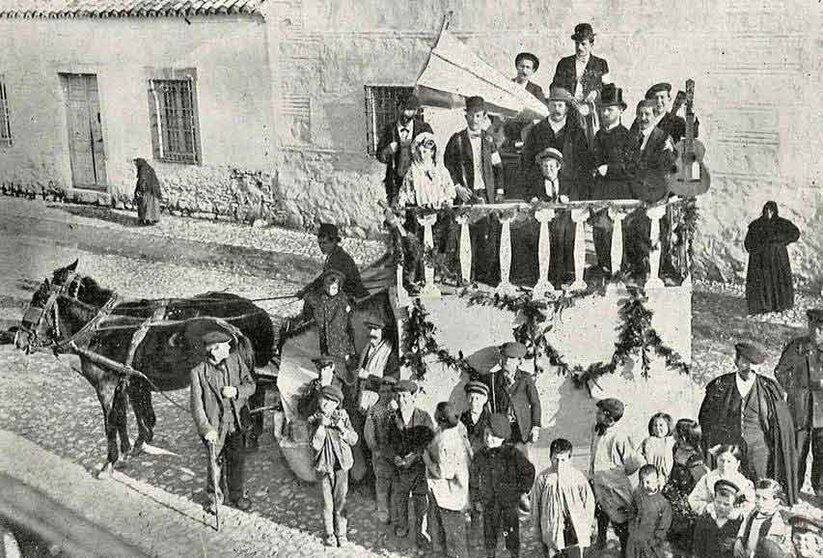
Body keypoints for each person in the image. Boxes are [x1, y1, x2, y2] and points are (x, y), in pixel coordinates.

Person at [698, 341, 798, 505]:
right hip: (730, 450)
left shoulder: (769, 389)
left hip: (759, 450)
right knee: (728, 488)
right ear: (736, 361)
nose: (749, 367)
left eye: (754, 364)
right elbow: (706, 418)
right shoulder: (721, 386)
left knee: (759, 489)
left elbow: (782, 425)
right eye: (744, 362)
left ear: (759, 366)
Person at [189, 328, 255, 512]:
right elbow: (196, 406)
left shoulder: (235, 361)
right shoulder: (198, 372)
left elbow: (251, 385)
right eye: (226, 346)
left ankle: (237, 495)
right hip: (214, 426)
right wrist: (206, 428)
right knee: (214, 463)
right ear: (214, 349)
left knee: (236, 460)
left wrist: (237, 391)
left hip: (235, 422)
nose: (229, 348)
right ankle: (215, 497)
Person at [443, 95, 505, 285]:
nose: (474, 120)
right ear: (466, 116)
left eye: (478, 116)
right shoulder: (457, 140)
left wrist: (500, 191)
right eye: (471, 115)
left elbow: (498, 167)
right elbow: (448, 166)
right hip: (467, 194)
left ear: (484, 116)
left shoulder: (489, 140)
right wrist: (457, 187)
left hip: (486, 194)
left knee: (487, 236)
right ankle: (465, 276)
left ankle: (485, 277)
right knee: (466, 235)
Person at [471, 413, 536, 558]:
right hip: (489, 501)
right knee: (489, 530)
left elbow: (528, 471)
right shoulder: (480, 456)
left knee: (511, 529)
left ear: (503, 437)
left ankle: (514, 553)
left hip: (508, 502)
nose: (488, 439)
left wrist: (521, 491)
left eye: (493, 436)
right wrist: (476, 499)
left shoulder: (512, 454)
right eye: (486, 434)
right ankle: (491, 553)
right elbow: (474, 479)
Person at [775, 308, 823, 500]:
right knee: (797, 450)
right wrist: (794, 390)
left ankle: (820, 491)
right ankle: (792, 489)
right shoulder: (797, 346)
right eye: (814, 329)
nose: (816, 334)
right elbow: (780, 371)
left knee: (822, 451)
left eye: (821, 330)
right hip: (800, 408)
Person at [589, 397, 646, 556]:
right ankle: (601, 542)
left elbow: (632, 463)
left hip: (615, 487)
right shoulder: (596, 430)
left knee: (620, 520)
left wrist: (617, 474)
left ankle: (625, 551)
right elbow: (593, 455)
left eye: (599, 412)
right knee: (601, 513)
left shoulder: (619, 436)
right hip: (599, 483)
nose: (596, 414)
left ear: (608, 416)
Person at [590, 84, 637, 274]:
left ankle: (620, 270)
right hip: (600, 191)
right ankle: (603, 267)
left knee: (617, 232)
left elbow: (632, 168)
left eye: (609, 109)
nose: (605, 113)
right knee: (599, 230)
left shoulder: (627, 136)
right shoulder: (599, 135)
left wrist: (609, 169)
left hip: (620, 191)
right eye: (602, 109)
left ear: (621, 110)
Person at [384, 379, 435, 549]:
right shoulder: (392, 418)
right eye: (398, 397)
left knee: (421, 502)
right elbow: (387, 444)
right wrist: (394, 458)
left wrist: (414, 456)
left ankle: (421, 532)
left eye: (405, 397)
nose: (401, 401)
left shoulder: (424, 417)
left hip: (419, 468)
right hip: (400, 469)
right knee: (400, 499)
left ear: (413, 397)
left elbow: (429, 441)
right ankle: (403, 526)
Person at [309, 384, 359, 548]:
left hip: (341, 466)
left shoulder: (343, 417)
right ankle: (330, 533)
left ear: (337, 404)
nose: (326, 403)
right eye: (324, 398)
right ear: (319, 399)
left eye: (332, 401)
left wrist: (343, 429)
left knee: (341, 500)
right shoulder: (314, 419)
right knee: (327, 502)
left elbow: (354, 439)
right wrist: (322, 425)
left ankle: (342, 533)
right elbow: (315, 445)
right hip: (324, 466)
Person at [522, 86, 592, 202]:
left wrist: (579, 192)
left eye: (560, 105)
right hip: (541, 193)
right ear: (548, 106)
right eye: (553, 105)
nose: (557, 109)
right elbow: (527, 162)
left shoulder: (576, 131)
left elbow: (584, 163)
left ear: (566, 108)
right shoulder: (537, 130)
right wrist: (531, 194)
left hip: (570, 191)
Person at [530, 438, 596, 558]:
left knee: (574, 552)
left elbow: (588, 502)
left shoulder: (577, 477)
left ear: (570, 459)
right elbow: (535, 506)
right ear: (550, 458)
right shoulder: (544, 478)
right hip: (553, 526)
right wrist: (536, 530)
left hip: (574, 526)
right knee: (554, 552)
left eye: (563, 460)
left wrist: (587, 525)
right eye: (556, 459)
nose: (559, 463)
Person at [424, 402, 472, 558]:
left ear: (439, 418)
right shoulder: (449, 433)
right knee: (443, 534)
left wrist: (426, 458)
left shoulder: (448, 440)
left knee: (454, 541)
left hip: (450, 497)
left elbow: (443, 472)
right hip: (444, 495)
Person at [482, 341, 542, 456]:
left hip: (521, 428)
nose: (506, 361)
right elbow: (486, 402)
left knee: (521, 460)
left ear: (519, 361)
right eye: (504, 357)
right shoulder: (493, 379)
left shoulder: (525, 379)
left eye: (510, 358)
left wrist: (535, 426)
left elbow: (535, 403)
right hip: (502, 427)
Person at [744, 201, 801, 315]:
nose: (768, 213)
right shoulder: (756, 224)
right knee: (763, 283)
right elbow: (748, 242)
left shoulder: (781, 223)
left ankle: (779, 304)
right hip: (760, 262)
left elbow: (795, 233)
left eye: (771, 210)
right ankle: (762, 305)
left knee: (776, 281)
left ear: (775, 211)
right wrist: (754, 251)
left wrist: (781, 240)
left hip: (777, 260)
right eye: (766, 210)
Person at [661, 418, 709, 553]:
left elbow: (700, 482)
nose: (673, 432)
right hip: (673, 492)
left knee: (684, 533)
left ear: (682, 436)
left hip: (686, 499)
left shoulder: (695, 458)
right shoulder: (676, 447)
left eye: (676, 430)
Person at [376, 94, 434, 204]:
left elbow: (432, 154)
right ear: (398, 108)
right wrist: (388, 150)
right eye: (402, 108)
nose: (404, 113)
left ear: (416, 111)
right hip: (396, 183)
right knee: (397, 216)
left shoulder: (424, 129)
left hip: (420, 182)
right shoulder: (389, 129)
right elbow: (380, 156)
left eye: (409, 110)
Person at [302, 269, 356, 380]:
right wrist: (305, 296)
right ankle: (326, 370)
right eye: (329, 288)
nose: (332, 291)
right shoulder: (322, 299)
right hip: (326, 329)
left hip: (339, 329)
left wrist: (348, 309)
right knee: (325, 348)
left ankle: (347, 368)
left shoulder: (342, 298)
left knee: (343, 348)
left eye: (335, 288)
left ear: (339, 288)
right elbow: (315, 306)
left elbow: (349, 308)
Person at [297, 223, 369, 301]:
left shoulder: (339, 258)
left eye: (324, 243)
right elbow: (323, 277)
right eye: (319, 243)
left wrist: (307, 292)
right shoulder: (333, 255)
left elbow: (327, 282)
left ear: (334, 241)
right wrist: (306, 289)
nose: (321, 246)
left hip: (354, 299)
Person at [363, 375, 398, 524]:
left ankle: (396, 514)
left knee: (396, 484)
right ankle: (383, 512)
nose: (386, 395)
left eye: (389, 391)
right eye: (383, 392)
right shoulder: (374, 410)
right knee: (382, 484)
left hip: (395, 453)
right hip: (381, 453)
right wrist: (374, 448)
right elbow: (368, 432)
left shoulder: (397, 409)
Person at [689, 444, 756, 517]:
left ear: (737, 463)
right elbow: (693, 499)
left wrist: (738, 513)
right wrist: (707, 508)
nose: (724, 465)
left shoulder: (745, 483)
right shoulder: (707, 479)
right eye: (721, 460)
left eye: (729, 461)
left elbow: (751, 505)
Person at [734, 479, 791, 558]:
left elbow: (769, 550)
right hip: (747, 551)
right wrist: (739, 540)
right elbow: (744, 525)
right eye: (757, 497)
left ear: (776, 502)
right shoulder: (754, 512)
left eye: (765, 499)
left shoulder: (776, 523)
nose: (760, 502)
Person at [626, 464, 673, 558]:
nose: (644, 486)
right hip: (635, 540)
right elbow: (632, 513)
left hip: (651, 544)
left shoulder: (663, 503)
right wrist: (632, 529)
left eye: (648, 482)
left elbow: (664, 525)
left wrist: (656, 539)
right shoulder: (637, 496)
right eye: (642, 482)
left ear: (657, 481)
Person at [692, 479, 745, 558]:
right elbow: (697, 550)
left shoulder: (740, 522)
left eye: (726, 504)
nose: (721, 507)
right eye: (718, 502)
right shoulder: (705, 520)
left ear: (734, 505)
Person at [639, 412, 675, 481]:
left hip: (669, 477)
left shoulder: (672, 442)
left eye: (661, 425)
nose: (658, 428)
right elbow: (638, 456)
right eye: (655, 425)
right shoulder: (648, 441)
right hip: (651, 476)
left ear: (668, 426)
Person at [460, 380, 492, 454]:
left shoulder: (490, 419)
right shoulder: (462, 419)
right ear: (467, 399)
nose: (473, 402)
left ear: (484, 399)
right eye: (471, 398)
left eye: (477, 398)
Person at [133, 158, 162, 225]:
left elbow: (142, 181)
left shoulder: (143, 170)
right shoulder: (149, 168)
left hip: (147, 191)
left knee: (145, 205)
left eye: (136, 164)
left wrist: (139, 190)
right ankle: (151, 219)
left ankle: (145, 219)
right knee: (151, 205)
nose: (136, 166)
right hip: (153, 190)